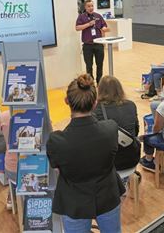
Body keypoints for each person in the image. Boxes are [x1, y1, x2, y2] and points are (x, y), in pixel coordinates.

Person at [46, 74, 124, 233]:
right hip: (107, 195)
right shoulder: (110, 129)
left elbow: (58, 169)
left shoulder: (57, 141)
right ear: (95, 103)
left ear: (67, 102)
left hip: (74, 203)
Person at [93, 75, 140, 171]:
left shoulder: (96, 109)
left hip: (109, 162)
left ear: (100, 90)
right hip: (132, 157)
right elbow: (136, 130)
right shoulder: (131, 105)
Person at [75, 0, 109, 83]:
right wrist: (88, 24)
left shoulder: (98, 16)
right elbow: (77, 28)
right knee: (89, 66)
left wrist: (105, 29)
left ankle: (99, 82)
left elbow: (104, 27)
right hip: (88, 45)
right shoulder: (81, 17)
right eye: (89, 6)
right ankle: (90, 83)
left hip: (99, 44)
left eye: (92, 6)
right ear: (85, 7)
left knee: (100, 64)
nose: (91, 8)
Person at [0, 110, 18, 209]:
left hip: (11, 168)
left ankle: (11, 195)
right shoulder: (39, 113)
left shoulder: (4, 116)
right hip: (36, 168)